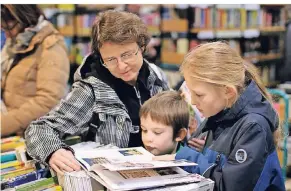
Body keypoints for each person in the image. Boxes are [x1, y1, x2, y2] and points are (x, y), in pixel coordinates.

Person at [25, 10, 169, 175]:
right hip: (113, 179)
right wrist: (53, 152)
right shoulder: (90, 90)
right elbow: (38, 129)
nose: (121, 66)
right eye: (110, 59)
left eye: (127, 55)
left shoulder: (157, 76)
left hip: (160, 172)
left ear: (142, 46)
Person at [155, 42, 285, 191]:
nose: (193, 101)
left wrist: (189, 158)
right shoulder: (218, 114)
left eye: (199, 95)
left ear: (228, 92)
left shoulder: (253, 126)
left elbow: (230, 187)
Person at [1, 5, 70, 137]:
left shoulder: (50, 46)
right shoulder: (17, 44)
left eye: (10, 27)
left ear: (25, 18)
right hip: (14, 130)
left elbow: (48, 101)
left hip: (33, 134)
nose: (8, 34)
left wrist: (4, 124)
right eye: (3, 29)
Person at [140, 91, 189, 156]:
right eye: (144, 130)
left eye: (157, 132)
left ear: (179, 134)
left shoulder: (194, 162)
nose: (148, 138)